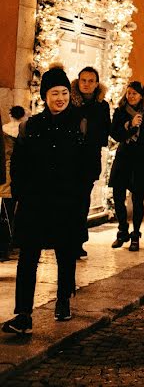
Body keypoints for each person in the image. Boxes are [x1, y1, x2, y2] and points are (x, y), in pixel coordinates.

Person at [2, 66, 89, 334]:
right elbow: (17, 164)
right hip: (35, 203)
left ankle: (63, 300)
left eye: (64, 92)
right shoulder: (31, 126)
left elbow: (88, 166)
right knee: (28, 257)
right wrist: (21, 194)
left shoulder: (80, 125)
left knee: (65, 253)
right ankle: (23, 315)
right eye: (54, 93)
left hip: (66, 203)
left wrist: (78, 196)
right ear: (45, 96)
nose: (60, 98)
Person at [109, 81, 144, 251]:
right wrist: (130, 126)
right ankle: (122, 230)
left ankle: (135, 234)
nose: (131, 96)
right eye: (128, 93)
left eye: (134, 93)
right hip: (123, 158)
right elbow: (115, 134)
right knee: (118, 196)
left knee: (137, 198)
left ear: (142, 95)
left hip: (142, 160)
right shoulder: (120, 112)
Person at [69, 67, 111, 258]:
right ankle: (66, 238)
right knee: (68, 200)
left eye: (90, 80)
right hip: (68, 159)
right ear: (78, 82)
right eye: (83, 80)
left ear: (96, 83)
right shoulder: (69, 102)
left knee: (81, 201)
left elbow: (105, 133)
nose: (86, 84)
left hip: (88, 160)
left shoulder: (102, 106)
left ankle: (77, 241)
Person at [0, 106, 26, 261]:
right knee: (18, 209)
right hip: (21, 175)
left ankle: (5, 245)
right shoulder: (25, 130)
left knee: (5, 210)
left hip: (6, 174)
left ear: (10, 115)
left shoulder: (4, 131)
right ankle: (15, 240)